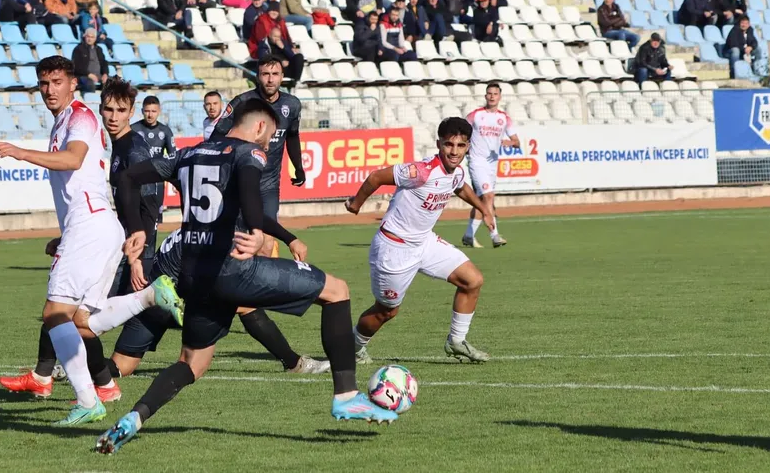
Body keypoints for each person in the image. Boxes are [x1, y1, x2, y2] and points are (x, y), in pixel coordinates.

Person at [97, 96, 389, 454]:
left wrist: (136, 230)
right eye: (269, 139)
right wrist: (256, 229)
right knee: (337, 291)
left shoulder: (188, 154)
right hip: (233, 269)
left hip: (194, 277)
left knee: (192, 363)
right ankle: (346, 396)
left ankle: (134, 418)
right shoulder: (248, 152)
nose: (267, 147)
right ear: (260, 126)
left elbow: (128, 177)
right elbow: (251, 185)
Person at [0, 57, 184, 427]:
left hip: (92, 227)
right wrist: (67, 235)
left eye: (57, 82)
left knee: (55, 314)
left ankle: (83, 398)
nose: (50, 90)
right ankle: (146, 302)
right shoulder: (67, 120)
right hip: (96, 226)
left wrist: (20, 152)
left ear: (73, 84)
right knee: (81, 321)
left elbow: (73, 160)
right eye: (44, 83)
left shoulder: (80, 116)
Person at [347, 116, 495, 364]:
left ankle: (456, 341)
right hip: (394, 248)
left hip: (424, 243)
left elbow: (460, 186)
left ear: (468, 146)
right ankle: (352, 348)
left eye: (460, 146)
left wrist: (484, 209)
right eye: (448, 144)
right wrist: (356, 204)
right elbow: (375, 177)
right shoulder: (420, 171)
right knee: (387, 311)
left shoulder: (456, 172)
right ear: (439, 144)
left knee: (473, 281)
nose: (454, 151)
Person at [459, 83, 520, 249]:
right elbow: (461, 130)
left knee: (482, 200)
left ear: (500, 97)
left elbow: (516, 142)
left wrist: (510, 142)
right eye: (489, 93)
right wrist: (464, 145)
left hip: (492, 164)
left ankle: (469, 235)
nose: (492, 96)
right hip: (476, 161)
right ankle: (494, 235)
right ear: (485, 96)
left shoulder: (504, 118)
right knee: (489, 196)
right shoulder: (476, 115)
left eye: (495, 94)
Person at [132, 96, 177, 160]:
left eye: (153, 111)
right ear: (142, 111)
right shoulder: (133, 129)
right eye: (147, 111)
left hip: (158, 166)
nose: (150, 115)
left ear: (159, 111)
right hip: (138, 166)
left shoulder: (166, 131)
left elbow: (173, 156)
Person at [72, 28, 109, 93]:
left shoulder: (99, 49)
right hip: (83, 76)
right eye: (88, 36)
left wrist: (105, 74)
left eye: (92, 37)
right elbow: (76, 66)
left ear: (95, 38)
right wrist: (89, 74)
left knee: (113, 82)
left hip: (99, 75)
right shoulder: (78, 49)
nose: (90, 39)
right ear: (85, 37)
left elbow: (104, 63)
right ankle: (90, 99)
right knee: (89, 84)